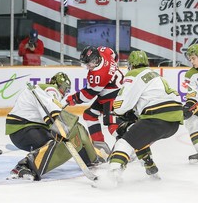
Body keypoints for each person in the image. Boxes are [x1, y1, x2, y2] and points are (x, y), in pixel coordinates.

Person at [5, 72, 106, 180]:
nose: (64, 93)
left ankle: (90, 158)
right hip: (25, 129)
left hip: (23, 130)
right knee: (70, 139)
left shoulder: (40, 89)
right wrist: (60, 125)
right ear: (58, 84)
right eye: (64, 88)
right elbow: (50, 107)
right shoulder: (51, 89)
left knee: (73, 133)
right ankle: (25, 166)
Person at [106, 50, 183, 184]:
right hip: (174, 123)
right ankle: (151, 168)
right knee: (138, 136)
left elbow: (120, 107)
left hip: (156, 118)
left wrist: (119, 112)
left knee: (124, 142)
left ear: (131, 65)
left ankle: (112, 175)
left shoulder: (133, 74)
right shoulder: (155, 75)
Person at [65, 46, 124, 156]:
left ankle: (130, 145)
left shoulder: (97, 76)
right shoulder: (103, 51)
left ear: (96, 60)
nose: (87, 66)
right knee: (89, 115)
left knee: (112, 125)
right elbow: (114, 54)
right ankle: (99, 145)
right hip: (111, 92)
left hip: (113, 96)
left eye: (88, 64)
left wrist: (72, 99)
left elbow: (88, 96)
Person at [182, 43, 198, 163]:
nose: (191, 61)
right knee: (191, 121)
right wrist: (189, 105)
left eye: (193, 58)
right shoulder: (191, 74)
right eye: (190, 59)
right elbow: (192, 93)